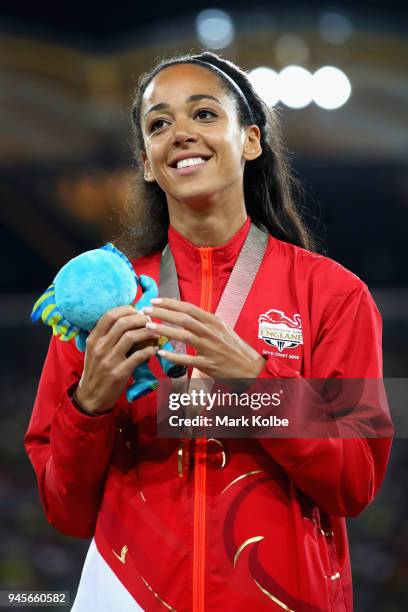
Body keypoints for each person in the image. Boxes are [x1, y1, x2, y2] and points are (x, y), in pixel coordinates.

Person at [25, 51, 392, 611]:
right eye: (159, 124)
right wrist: (88, 406)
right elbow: (65, 511)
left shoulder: (332, 296)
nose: (179, 134)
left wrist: (254, 379)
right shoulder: (102, 304)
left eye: (203, 114)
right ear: (147, 162)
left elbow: (355, 482)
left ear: (250, 140)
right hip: (130, 598)